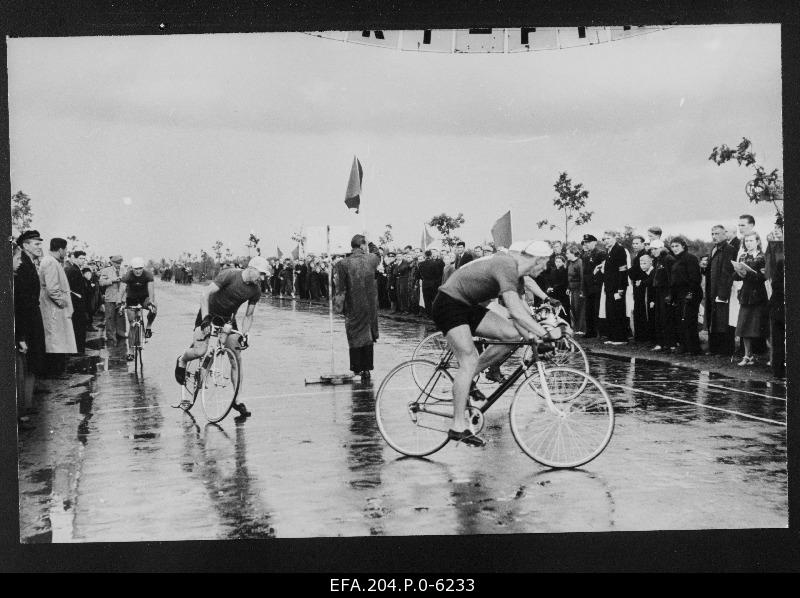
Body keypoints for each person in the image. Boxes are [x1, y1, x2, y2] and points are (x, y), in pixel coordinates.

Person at [429, 240, 561, 447]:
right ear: (538, 259)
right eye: (545, 264)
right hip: (449, 304)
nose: (545, 269)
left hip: (468, 305)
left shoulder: (516, 274)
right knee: (469, 359)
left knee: (512, 336)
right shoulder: (506, 265)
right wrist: (546, 334)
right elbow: (516, 312)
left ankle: (468, 379)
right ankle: (457, 425)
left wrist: (534, 338)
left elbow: (517, 316)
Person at [174, 256, 269, 417]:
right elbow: (205, 295)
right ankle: (182, 360)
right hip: (208, 313)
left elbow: (249, 315)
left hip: (227, 320)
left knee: (236, 358)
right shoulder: (230, 275)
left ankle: (237, 400)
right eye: (261, 274)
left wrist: (245, 334)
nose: (263, 278)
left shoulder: (256, 290)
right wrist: (205, 319)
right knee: (199, 352)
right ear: (251, 269)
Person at [334, 235, 381, 380]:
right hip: (370, 306)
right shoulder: (371, 259)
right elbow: (378, 253)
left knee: (355, 336)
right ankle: (367, 369)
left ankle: (357, 368)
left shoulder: (343, 263)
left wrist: (338, 307)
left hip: (353, 305)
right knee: (367, 336)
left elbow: (340, 288)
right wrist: (371, 241)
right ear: (362, 246)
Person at [14, 230, 47, 417]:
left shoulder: (28, 263)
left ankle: (26, 405)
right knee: (27, 364)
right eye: (36, 243)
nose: (39, 247)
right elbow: (21, 303)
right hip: (27, 322)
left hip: (32, 319)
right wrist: (21, 335)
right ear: (25, 245)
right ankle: (24, 408)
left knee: (31, 363)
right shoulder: (22, 266)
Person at [39, 237, 77, 375]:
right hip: (54, 309)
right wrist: (63, 302)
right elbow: (52, 289)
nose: (66, 252)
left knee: (58, 339)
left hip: (55, 308)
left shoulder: (52, 261)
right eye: (65, 249)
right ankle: (55, 371)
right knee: (55, 341)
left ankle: (57, 369)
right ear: (60, 249)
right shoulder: (50, 262)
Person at [732, 232, 768, 366]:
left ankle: (772, 356)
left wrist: (749, 274)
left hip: (759, 295)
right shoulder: (742, 256)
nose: (748, 243)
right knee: (744, 326)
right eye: (746, 241)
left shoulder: (762, 257)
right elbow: (737, 277)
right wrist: (738, 272)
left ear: (758, 241)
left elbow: (762, 277)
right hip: (746, 294)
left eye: (751, 240)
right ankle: (748, 355)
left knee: (763, 326)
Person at [702, 225, 736, 355]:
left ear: (724, 234)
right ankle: (714, 348)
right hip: (712, 289)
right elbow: (710, 270)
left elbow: (727, 273)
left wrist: (722, 294)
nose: (714, 236)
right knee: (713, 319)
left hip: (721, 291)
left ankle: (725, 350)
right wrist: (703, 267)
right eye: (712, 234)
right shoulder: (714, 248)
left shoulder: (729, 249)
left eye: (717, 233)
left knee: (722, 321)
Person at [118, 257, 157, 361]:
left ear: (143, 268)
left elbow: (151, 291)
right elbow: (121, 289)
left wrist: (151, 303)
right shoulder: (127, 275)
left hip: (144, 298)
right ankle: (130, 352)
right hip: (132, 298)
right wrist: (119, 302)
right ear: (132, 268)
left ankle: (148, 327)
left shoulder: (148, 275)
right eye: (136, 269)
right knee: (132, 325)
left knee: (154, 308)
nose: (138, 271)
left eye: (140, 268)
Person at [668, 237, 703, 355]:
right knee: (680, 319)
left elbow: (695, 278)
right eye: (672, 247)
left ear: (683, 246)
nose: (674, 249)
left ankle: (693, 348)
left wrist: (690, 293)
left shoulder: (690, 258)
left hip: (690, 292)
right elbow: (674, 280)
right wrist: (672, 296)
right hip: (679, 293)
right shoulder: (676, 260)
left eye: (677, 246)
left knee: (689, 320)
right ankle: (684, 346)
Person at [601, 231, 629, 345]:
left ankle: (621, 338)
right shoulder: (609, 250)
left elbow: (622, 269)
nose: (606, 240)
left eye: (608, 238)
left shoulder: (619, 249)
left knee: (618, 311)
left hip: (617, 287)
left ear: (614, 238)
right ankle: (612, 336)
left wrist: (621, 288)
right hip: (609, 286)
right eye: (604, 239)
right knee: (610, 312)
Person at [649, 239, 676, 351]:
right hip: (659, 291)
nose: (653, 251)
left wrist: (670, 294)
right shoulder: (657, 260)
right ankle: (661, 343)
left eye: (655, 249)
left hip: (666, 291)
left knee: (667, 318)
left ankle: (670, 343)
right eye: (652, 249)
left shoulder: (668, 259)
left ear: (661, 248)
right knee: (659, 318)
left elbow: (672, 278)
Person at [99, 255, 128, 346]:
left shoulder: (124, 271)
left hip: (121, 298)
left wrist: (124, 298)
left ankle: (121, 335)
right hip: (110, 298)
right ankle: (111, 337)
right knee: (110, 318)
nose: (118, 265)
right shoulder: (106, 271)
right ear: (112, 263)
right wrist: (112, 280)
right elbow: (101, 283)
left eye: (120, 263)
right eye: (116, 263)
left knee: (120, 317)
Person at [64, 250, 88, 354]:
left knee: (79, 326)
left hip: (78, 303)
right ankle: (78, 350)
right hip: (76, 303)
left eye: (84, 259)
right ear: (75, 258)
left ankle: (78, 349)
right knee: (78, 327)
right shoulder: (73, 270)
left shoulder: (76, 269)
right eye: (81, 258)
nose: (83, 261)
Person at [581, 234, 606, 338]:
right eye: (585, 242)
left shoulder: (600, 253)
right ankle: (590, 331)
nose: (586, 244)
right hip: (588, 285)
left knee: (597, 309)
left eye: (588, 242)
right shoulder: (586, 255)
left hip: (597, 285)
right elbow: (585, 273)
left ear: (594, 242)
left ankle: (599, 332)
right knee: (588, 310)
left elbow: (602, 269)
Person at [627, 236, 649, 342]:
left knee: (640, 309)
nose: (635, 245)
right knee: (638, 309)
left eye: (637, 243)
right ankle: (639, 335)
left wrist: (629, 272)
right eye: (633, 243)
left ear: (643, 244)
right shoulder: (637, 256)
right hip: (637, 284)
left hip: (641, 284)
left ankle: (642, 336)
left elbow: (639, 270)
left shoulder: (643, 255)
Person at [418, 249, 445, 317]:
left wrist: (424, 278)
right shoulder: (435, 263)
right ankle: (435, 314)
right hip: (433, 283)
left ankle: (428, 314)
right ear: (431, 255)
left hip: (425, 283)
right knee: (434, 299)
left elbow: (418, 275)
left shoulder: (420, 264)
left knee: (426, 300)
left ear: (425, 255)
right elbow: (438, 274)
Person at [565, 244, 585, 334]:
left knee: (579, 309)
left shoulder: (579, 262)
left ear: (573, 253)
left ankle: (581, 329)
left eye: (568, 253)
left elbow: (582, 277)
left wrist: (581, 290)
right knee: (573, 308)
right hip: (572, 289)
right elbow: (569, 277)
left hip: (578, 289)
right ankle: (576, 328)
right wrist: (568, 287)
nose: (566, 255)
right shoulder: (570, 263)